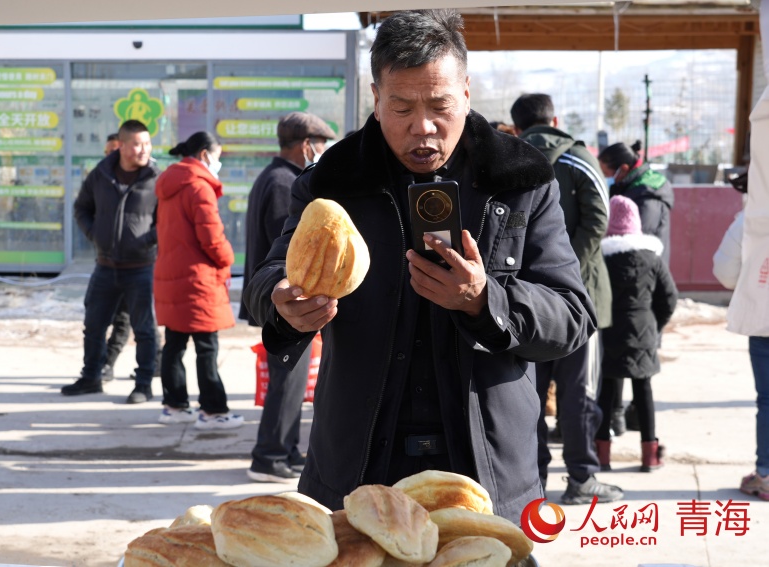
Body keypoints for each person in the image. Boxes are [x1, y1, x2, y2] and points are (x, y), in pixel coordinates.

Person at [242, 9, 596, 523]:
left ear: (467, 93)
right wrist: (282, 303)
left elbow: (571, 315)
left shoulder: (520, 180)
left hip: (488, 474)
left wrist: (485, 300)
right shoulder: (333, 182)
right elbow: (266, 278)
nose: (422, 127)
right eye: (402, 106)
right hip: (358, 470)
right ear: (376, 98)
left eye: (439, 105)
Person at [510, 93, 619, 504]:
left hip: (524, 301)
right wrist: (565, 268)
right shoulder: (578, 157)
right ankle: (581, 478)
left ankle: (531, 481)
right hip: (580, 302)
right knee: (578, 394)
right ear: (554, 119)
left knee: (528, 396)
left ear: (518, 126)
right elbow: (598, 219)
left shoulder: (511, 158)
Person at [240, 112, 337, 482]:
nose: (323, 152)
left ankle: (287, 449)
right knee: (288, 378)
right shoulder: (286, 182)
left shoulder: (271, 175)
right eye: (321, 145)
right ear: (306, 145)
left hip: (276, 297)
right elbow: (296, 248)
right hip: (283, 299)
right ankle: (270, 455)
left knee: (291, 378)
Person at [64, 119, 160, 404]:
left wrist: (144, 241)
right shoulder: (101, 174)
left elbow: (167, 220)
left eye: (147, 143)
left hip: (141, 268)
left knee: (144, 329)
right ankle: (91, 377)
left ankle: (143, 384)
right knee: (93, 325)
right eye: (137, 144)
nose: (144, 149)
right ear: (121, 145)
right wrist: (95, 234)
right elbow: (82, 207)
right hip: (105, 266)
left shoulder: (156, 177)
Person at [153, 131, 244, 430]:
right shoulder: (199, 187)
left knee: (174, 345)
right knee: (207, 347)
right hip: (197, 279)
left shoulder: (170, 184)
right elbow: (212, 238)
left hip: (172, 276)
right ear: (205, 155)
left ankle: (175, 405)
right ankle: (214, 411)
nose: (218, 164)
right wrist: (229, 259)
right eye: (217, 157)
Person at [598, 140, 675, 434]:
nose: (608, 177)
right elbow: (670, 297)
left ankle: (611, 442)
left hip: (638, 302)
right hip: (641, 313)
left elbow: (643, 255)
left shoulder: (648, 196)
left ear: (625, 168)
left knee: (624, 381)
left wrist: (656, 320)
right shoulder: (633, 190)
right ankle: (645, 448)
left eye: (609, 171)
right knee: (632, 382)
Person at [595, 196, 677, 472]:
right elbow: (669, 297)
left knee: (606, 392)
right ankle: (650, 456)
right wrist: (655, 324)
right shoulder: (652, 257)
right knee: (644, 392)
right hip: (643, 331)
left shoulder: (602, 257)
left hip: (609, 331)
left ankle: (602, 456)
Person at [712, 173, 769, 499]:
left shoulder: (751, 220)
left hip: (764, 321)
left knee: (768, 399)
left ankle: (766, 473)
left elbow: (725, 271)